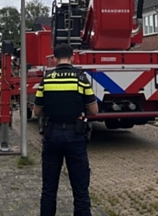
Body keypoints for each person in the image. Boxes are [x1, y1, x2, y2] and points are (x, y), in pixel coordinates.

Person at [34, 43, 98, 216]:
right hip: (75, 136)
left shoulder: (46, 80)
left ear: (54, 59)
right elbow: (94, 110)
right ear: (72, 57)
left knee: (48, 189)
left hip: (52, 136)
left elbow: (37, 111)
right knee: (80, 190)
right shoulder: (80, 79)